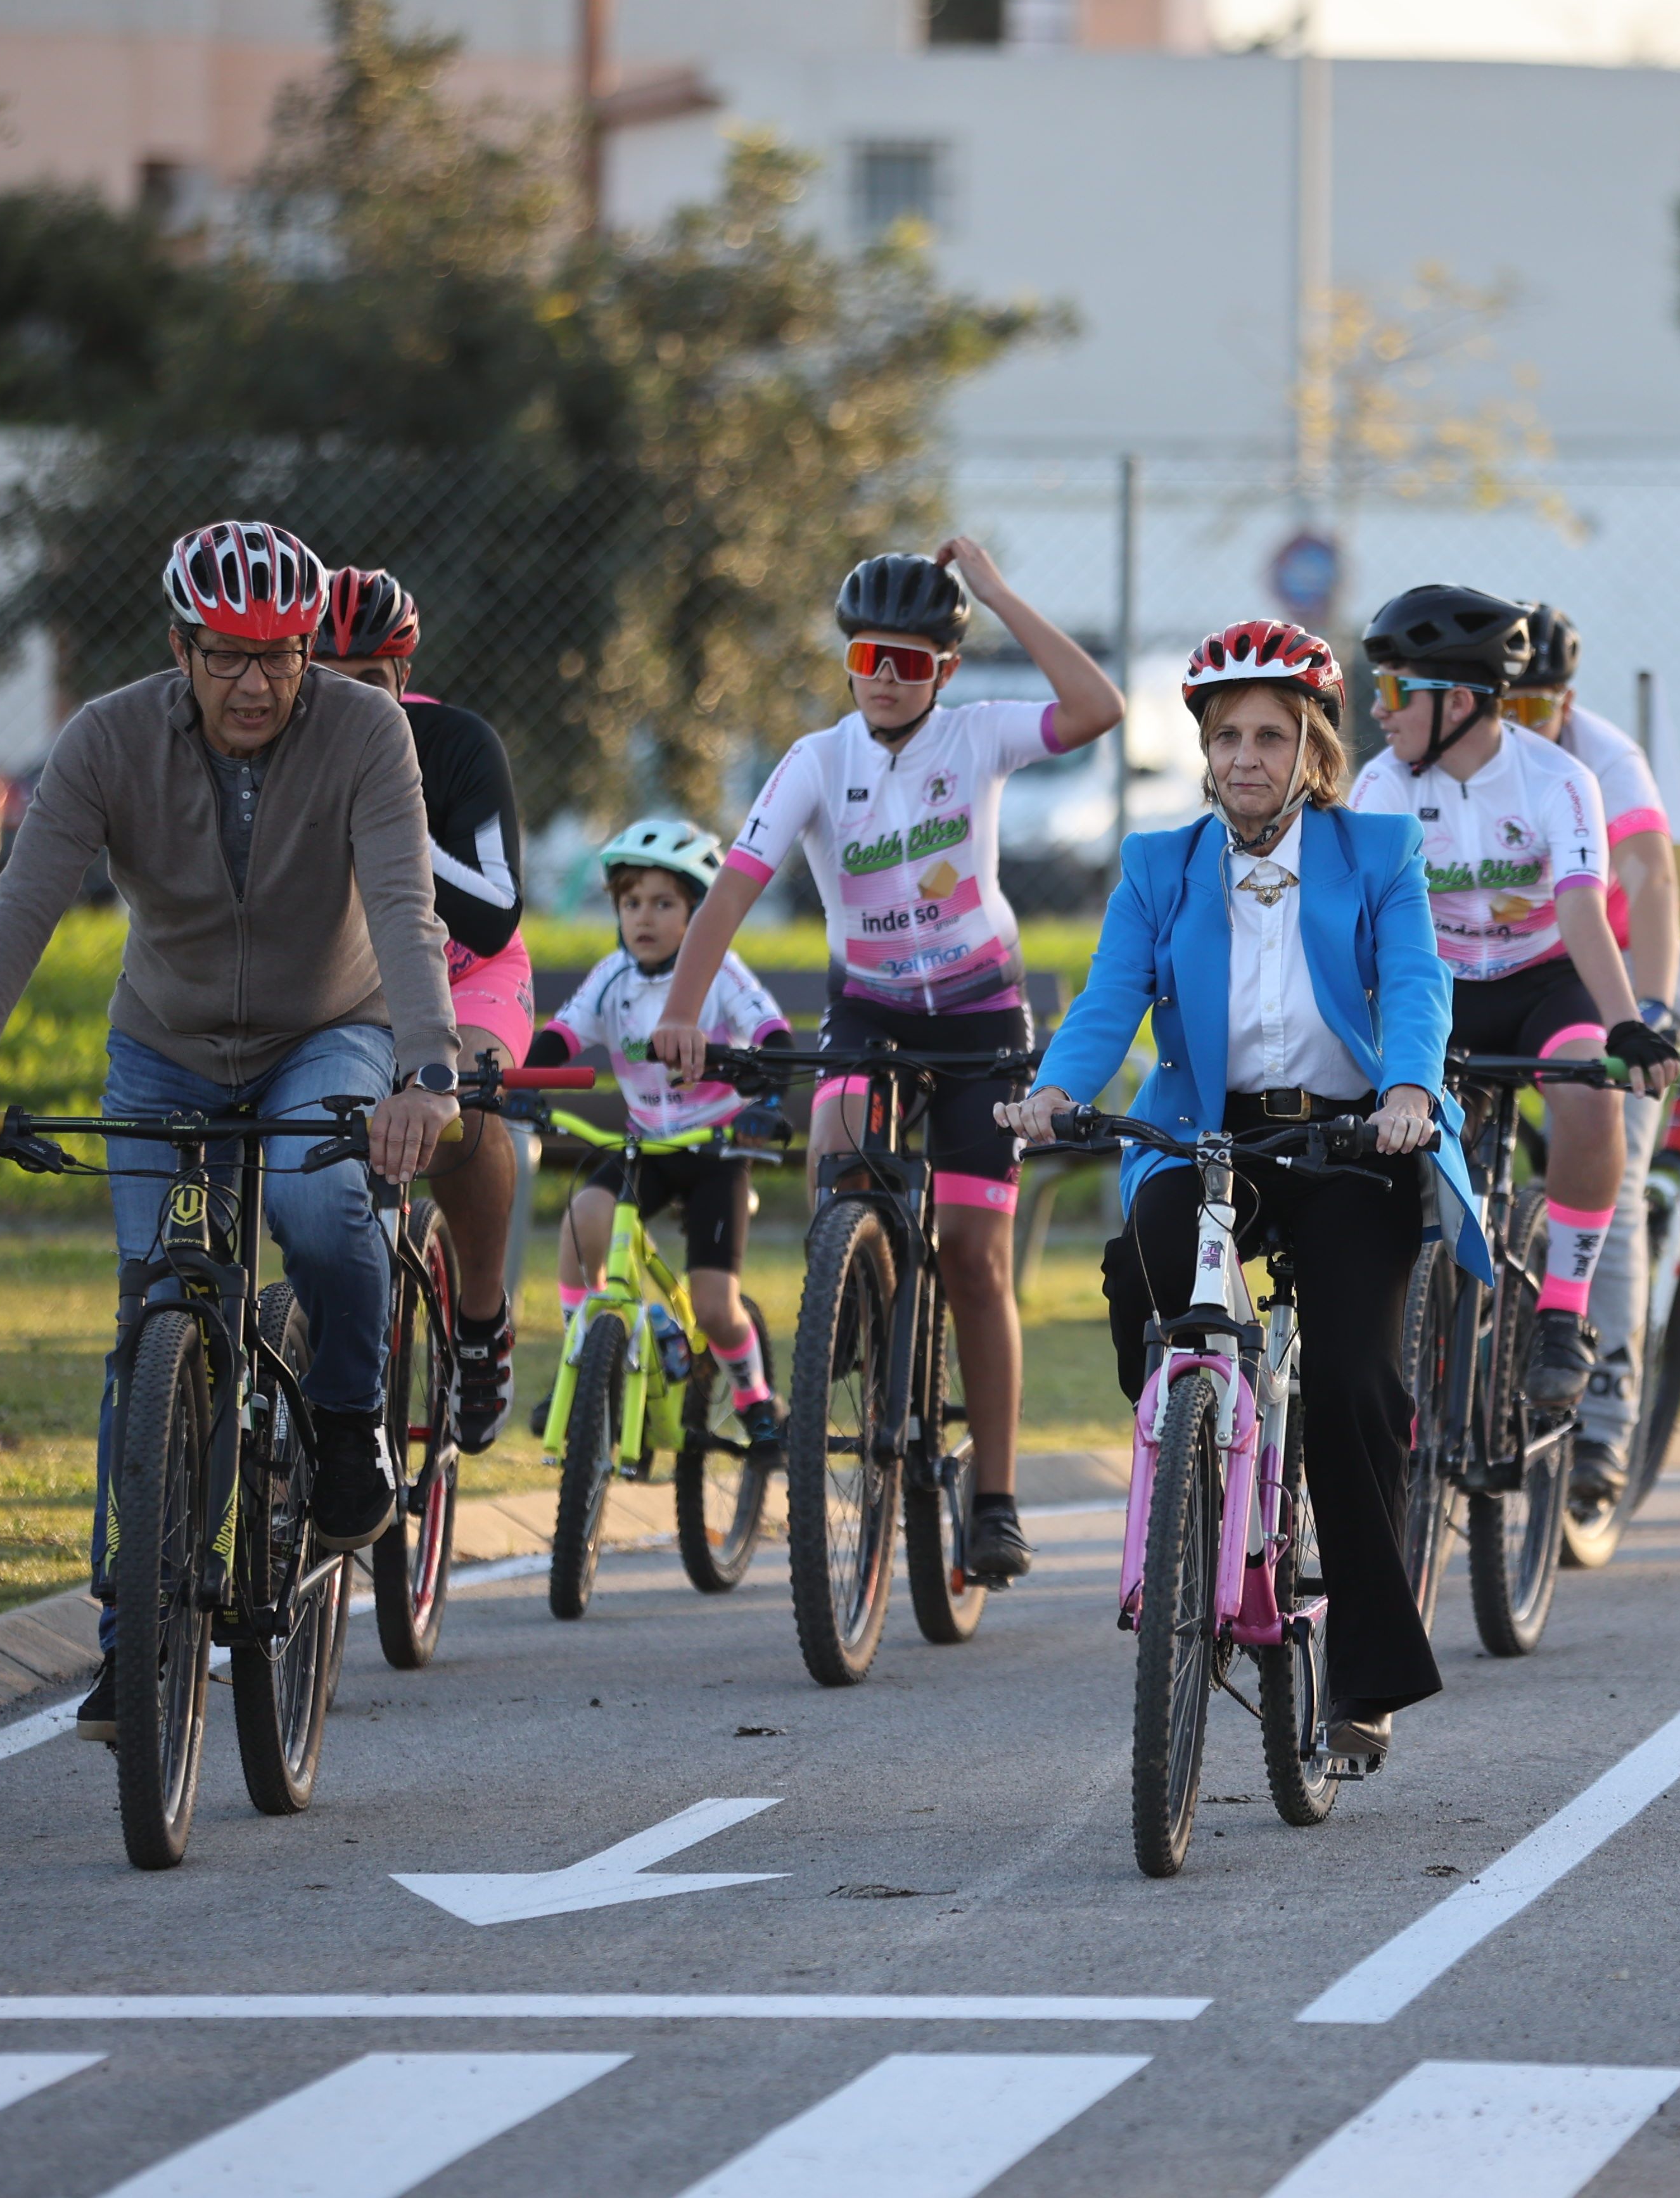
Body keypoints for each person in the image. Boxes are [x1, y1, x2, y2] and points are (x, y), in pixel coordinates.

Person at [0, 521, 458, 1744]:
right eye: (226, 656)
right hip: (162, 1047)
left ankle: (341, 1420)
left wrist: (426, 1072)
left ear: (312, 651)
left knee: (323, 1211)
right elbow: (26, 903)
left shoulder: (370, 732)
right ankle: (130, 1644)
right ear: (181, 646)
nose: (255, 684)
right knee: (154, 1303)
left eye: (281, 656)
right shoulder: (107, 735)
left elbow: (406, 907)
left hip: (331, 1029)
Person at [1002, 620, 1488, 1770]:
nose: (1246, 756)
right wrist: (1055, 1091)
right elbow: (1108, 998)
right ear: (1204, 751)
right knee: (1142, 1270)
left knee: (1356, 1386)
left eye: (1270, 734)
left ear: (1311, 745)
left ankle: (1363, 1675)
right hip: (1210, 1140)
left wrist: (1411, 1087)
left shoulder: (1376, 850)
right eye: (1226, 737)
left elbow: (1417, 979)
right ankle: (1194, 1485)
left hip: (1349, 1143)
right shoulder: (1157, 866)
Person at [650, 538, 1123, 1583]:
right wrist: (681, 1011)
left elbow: (1096, 710)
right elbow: (729, 889)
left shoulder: (977, 735)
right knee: (838, 1141)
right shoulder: (818, 759)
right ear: (849, 659)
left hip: (978, 1021)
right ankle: (851, 1301)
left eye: (911, 662)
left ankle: (993, 1498)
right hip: (867, 1010)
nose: (887, 678)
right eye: (870, 656)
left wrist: (999, 592)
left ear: (945, 669)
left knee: (970, 1251)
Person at [1346, 584, 1676, 1414]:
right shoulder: (1382, 786)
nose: (1379, 712)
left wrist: (1629, 1020)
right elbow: (1365, 925)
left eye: (1394, 691)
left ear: (1459, 701)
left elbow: (1579, 907)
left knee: (1587, 1098)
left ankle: (1563, 1315)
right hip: (1438, 985)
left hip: (1543, 980)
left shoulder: (1561, 780)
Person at [309, 566, 531, 1450]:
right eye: (327, 681)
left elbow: (493, 907)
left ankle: (479, 1321)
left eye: (369, 685)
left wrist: (391, 831)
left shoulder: (456, 745)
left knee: (463, 1107)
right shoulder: (270, 748)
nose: (349, 703)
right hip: (350, 980)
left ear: (403, 680)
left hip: (467, 971)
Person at [523, 822, 794, 1442]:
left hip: (714, 1152)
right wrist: (518, 1081)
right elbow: (560, 1037)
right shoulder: (611, 976)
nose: (643, 918)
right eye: (630, 902)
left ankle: (755, 1397)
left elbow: (775, 1036)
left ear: (699, 912)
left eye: (664, 903)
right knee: (583, 1218)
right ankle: (586, 1359)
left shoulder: (720, 972)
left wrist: (767, 1098)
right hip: (645, 1145)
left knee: (715, 1309)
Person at [1502, 602, 1680, 1502]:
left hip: (1620, 971)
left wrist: (1646, 1009)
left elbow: (1650, 876)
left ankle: (1606, 1423)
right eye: (1505, 709)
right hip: (1511, 970)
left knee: (1613, 1163)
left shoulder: (1606, 754)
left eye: (1537, 712)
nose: (1520, 730)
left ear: (1568, 703)